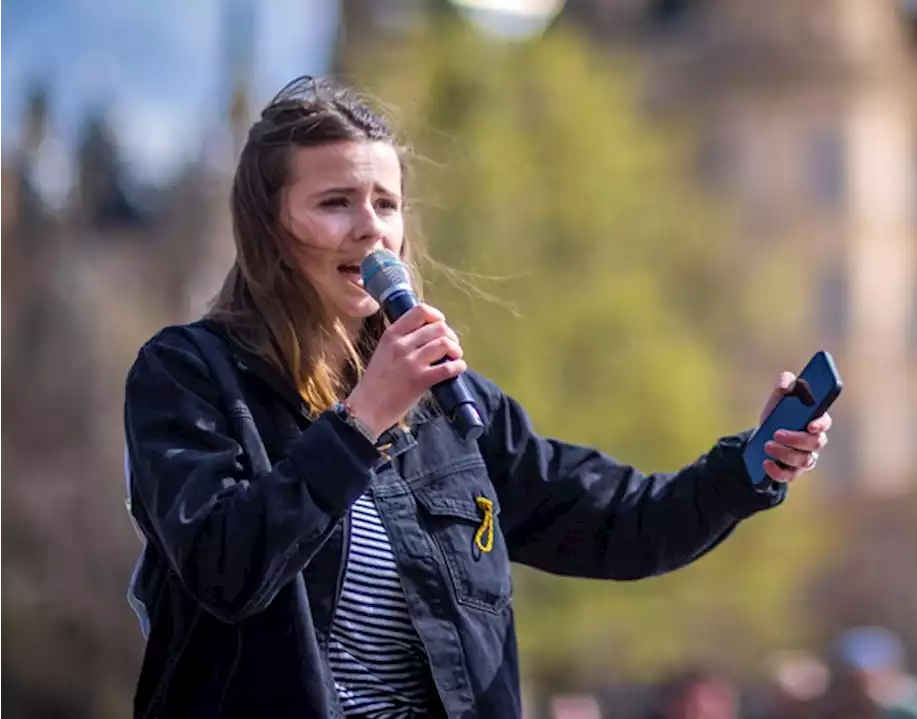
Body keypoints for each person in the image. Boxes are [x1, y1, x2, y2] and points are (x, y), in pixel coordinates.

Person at [121, 75, 832, 719]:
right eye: (335, 202)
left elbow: (625, 523)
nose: (371, 228)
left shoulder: (453, 407)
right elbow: (224, 568)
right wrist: (362, 418)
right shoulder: (189, 376)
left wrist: (751, 466)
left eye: (386, 203)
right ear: (270, 230)